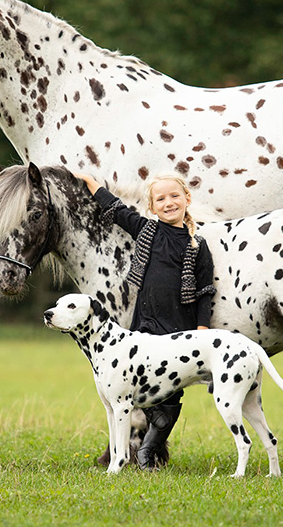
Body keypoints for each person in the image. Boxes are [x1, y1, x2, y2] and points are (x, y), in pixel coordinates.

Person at [74, 171, 216, 471]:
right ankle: (137, 448)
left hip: (179, 329)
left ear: (187, 199)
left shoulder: (197, 245)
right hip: (145, 324)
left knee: (172, 394)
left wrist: (202, 330)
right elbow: (116, 210)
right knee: (140, 385)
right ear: (151, 207)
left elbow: (205, 292)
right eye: (161, 199)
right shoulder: (146, 231)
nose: (169, 203)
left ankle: (148, 449)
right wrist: (89, 183)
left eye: (174, 196)